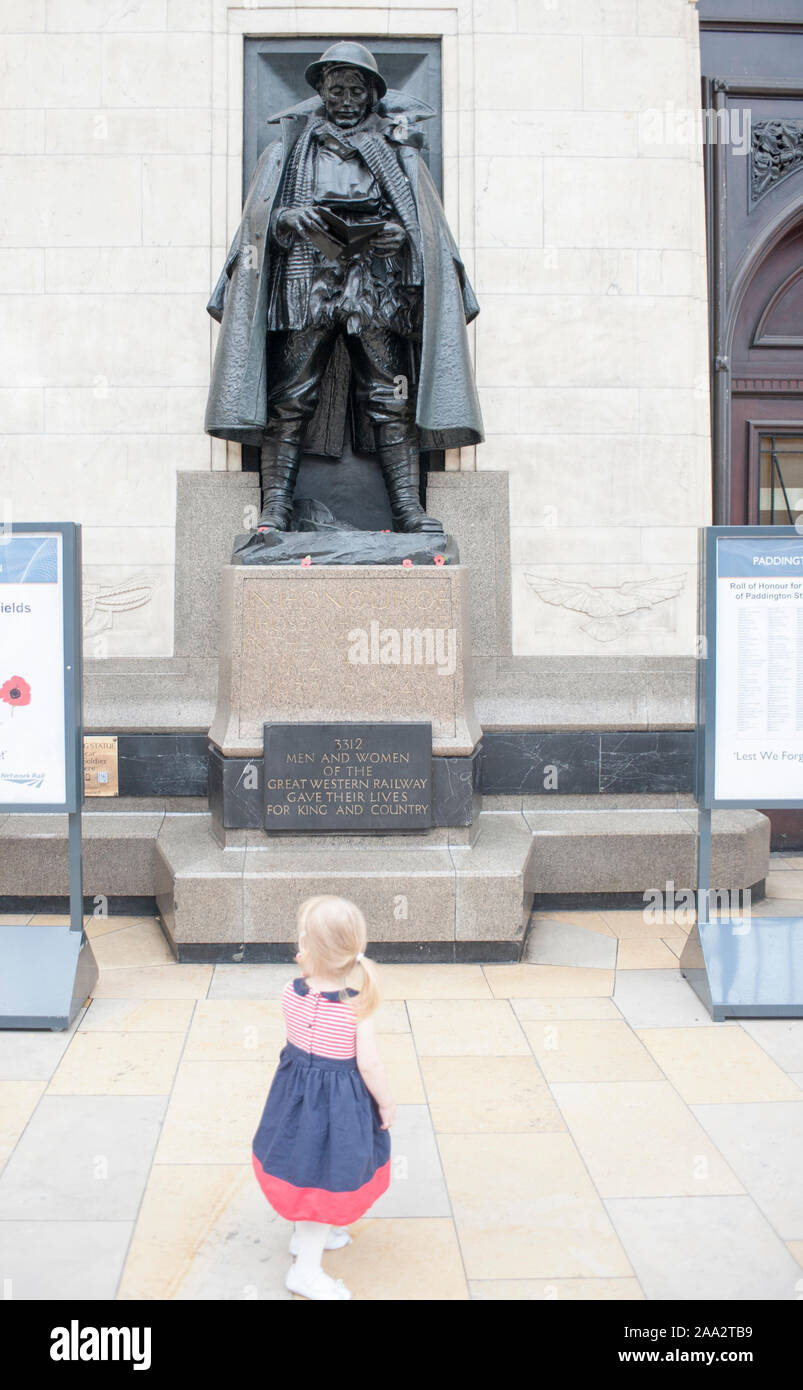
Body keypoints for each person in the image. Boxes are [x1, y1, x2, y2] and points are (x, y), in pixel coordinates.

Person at [205, 40, 484, 535]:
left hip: (377, 288)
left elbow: (423, 226)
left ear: (372, 95)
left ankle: (406, 509)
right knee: (290, 397)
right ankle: (275, 510)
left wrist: (402, 237)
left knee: (391, 396)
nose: (347, 100)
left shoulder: (397, 153)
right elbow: (260, 221)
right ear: (322, 92)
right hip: (306, 283)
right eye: (337, 90)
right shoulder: (289, 150)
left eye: (357, 90)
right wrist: (289, 218)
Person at [252, 895, 396, 1300]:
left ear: (306, 950)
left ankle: (305, 1239)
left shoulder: (289, 994)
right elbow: (369, 1067)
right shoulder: (355, 1010)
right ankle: (306, 1271)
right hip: (337, 1114)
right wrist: (385, 1103)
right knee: (323, 1182)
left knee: (304, 1171)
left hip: (294, 1106)